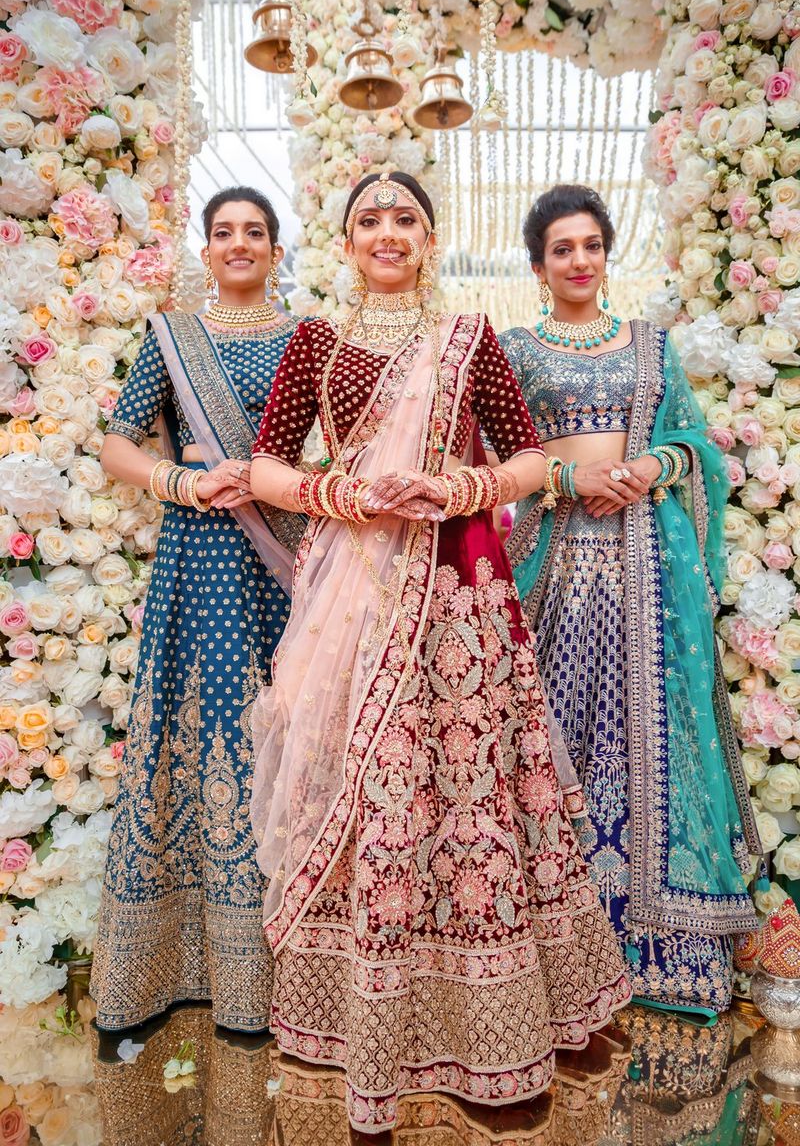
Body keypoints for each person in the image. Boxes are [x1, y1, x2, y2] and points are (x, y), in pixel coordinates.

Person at [247, 171, 630, 1135]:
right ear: (345, 244)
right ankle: (364, 1022)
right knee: (367, 793)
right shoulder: (315, 343)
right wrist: (344, 497)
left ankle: (495, 1027)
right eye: (369, 220)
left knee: (470, 802)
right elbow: (265, 465)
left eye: (405, 220)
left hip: (460, 598)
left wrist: (461, 486)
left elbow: (535, 457)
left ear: (429, 238)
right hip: (354, 601)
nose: (387, 232)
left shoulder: (470, 338)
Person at [500, 184, 760, 1018]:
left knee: (656, 734)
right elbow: (497, 454)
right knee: (554, 735)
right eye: (562, 249)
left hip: (650, 570)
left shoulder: (651, 345)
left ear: (606, 255)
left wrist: (653, 468)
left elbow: (693, 443)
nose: (579, 261)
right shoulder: (515, 350)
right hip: (558, 567)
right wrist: (570, 477)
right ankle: (554, 951)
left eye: (591, 246)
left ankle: (663, 950)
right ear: (538, 266)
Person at [90, 186, 304, 1032]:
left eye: (256, 232)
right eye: (225, 233)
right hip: (199, 558)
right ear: (205, 249)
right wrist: (178, 480)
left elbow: (333, 439)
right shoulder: (171, 337)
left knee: (285, 729)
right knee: (208, 728)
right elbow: (117, 442)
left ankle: (292, 974)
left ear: (275, 249)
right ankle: (186, 966)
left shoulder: (303, 336)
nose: (240, 244)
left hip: (290, 560)